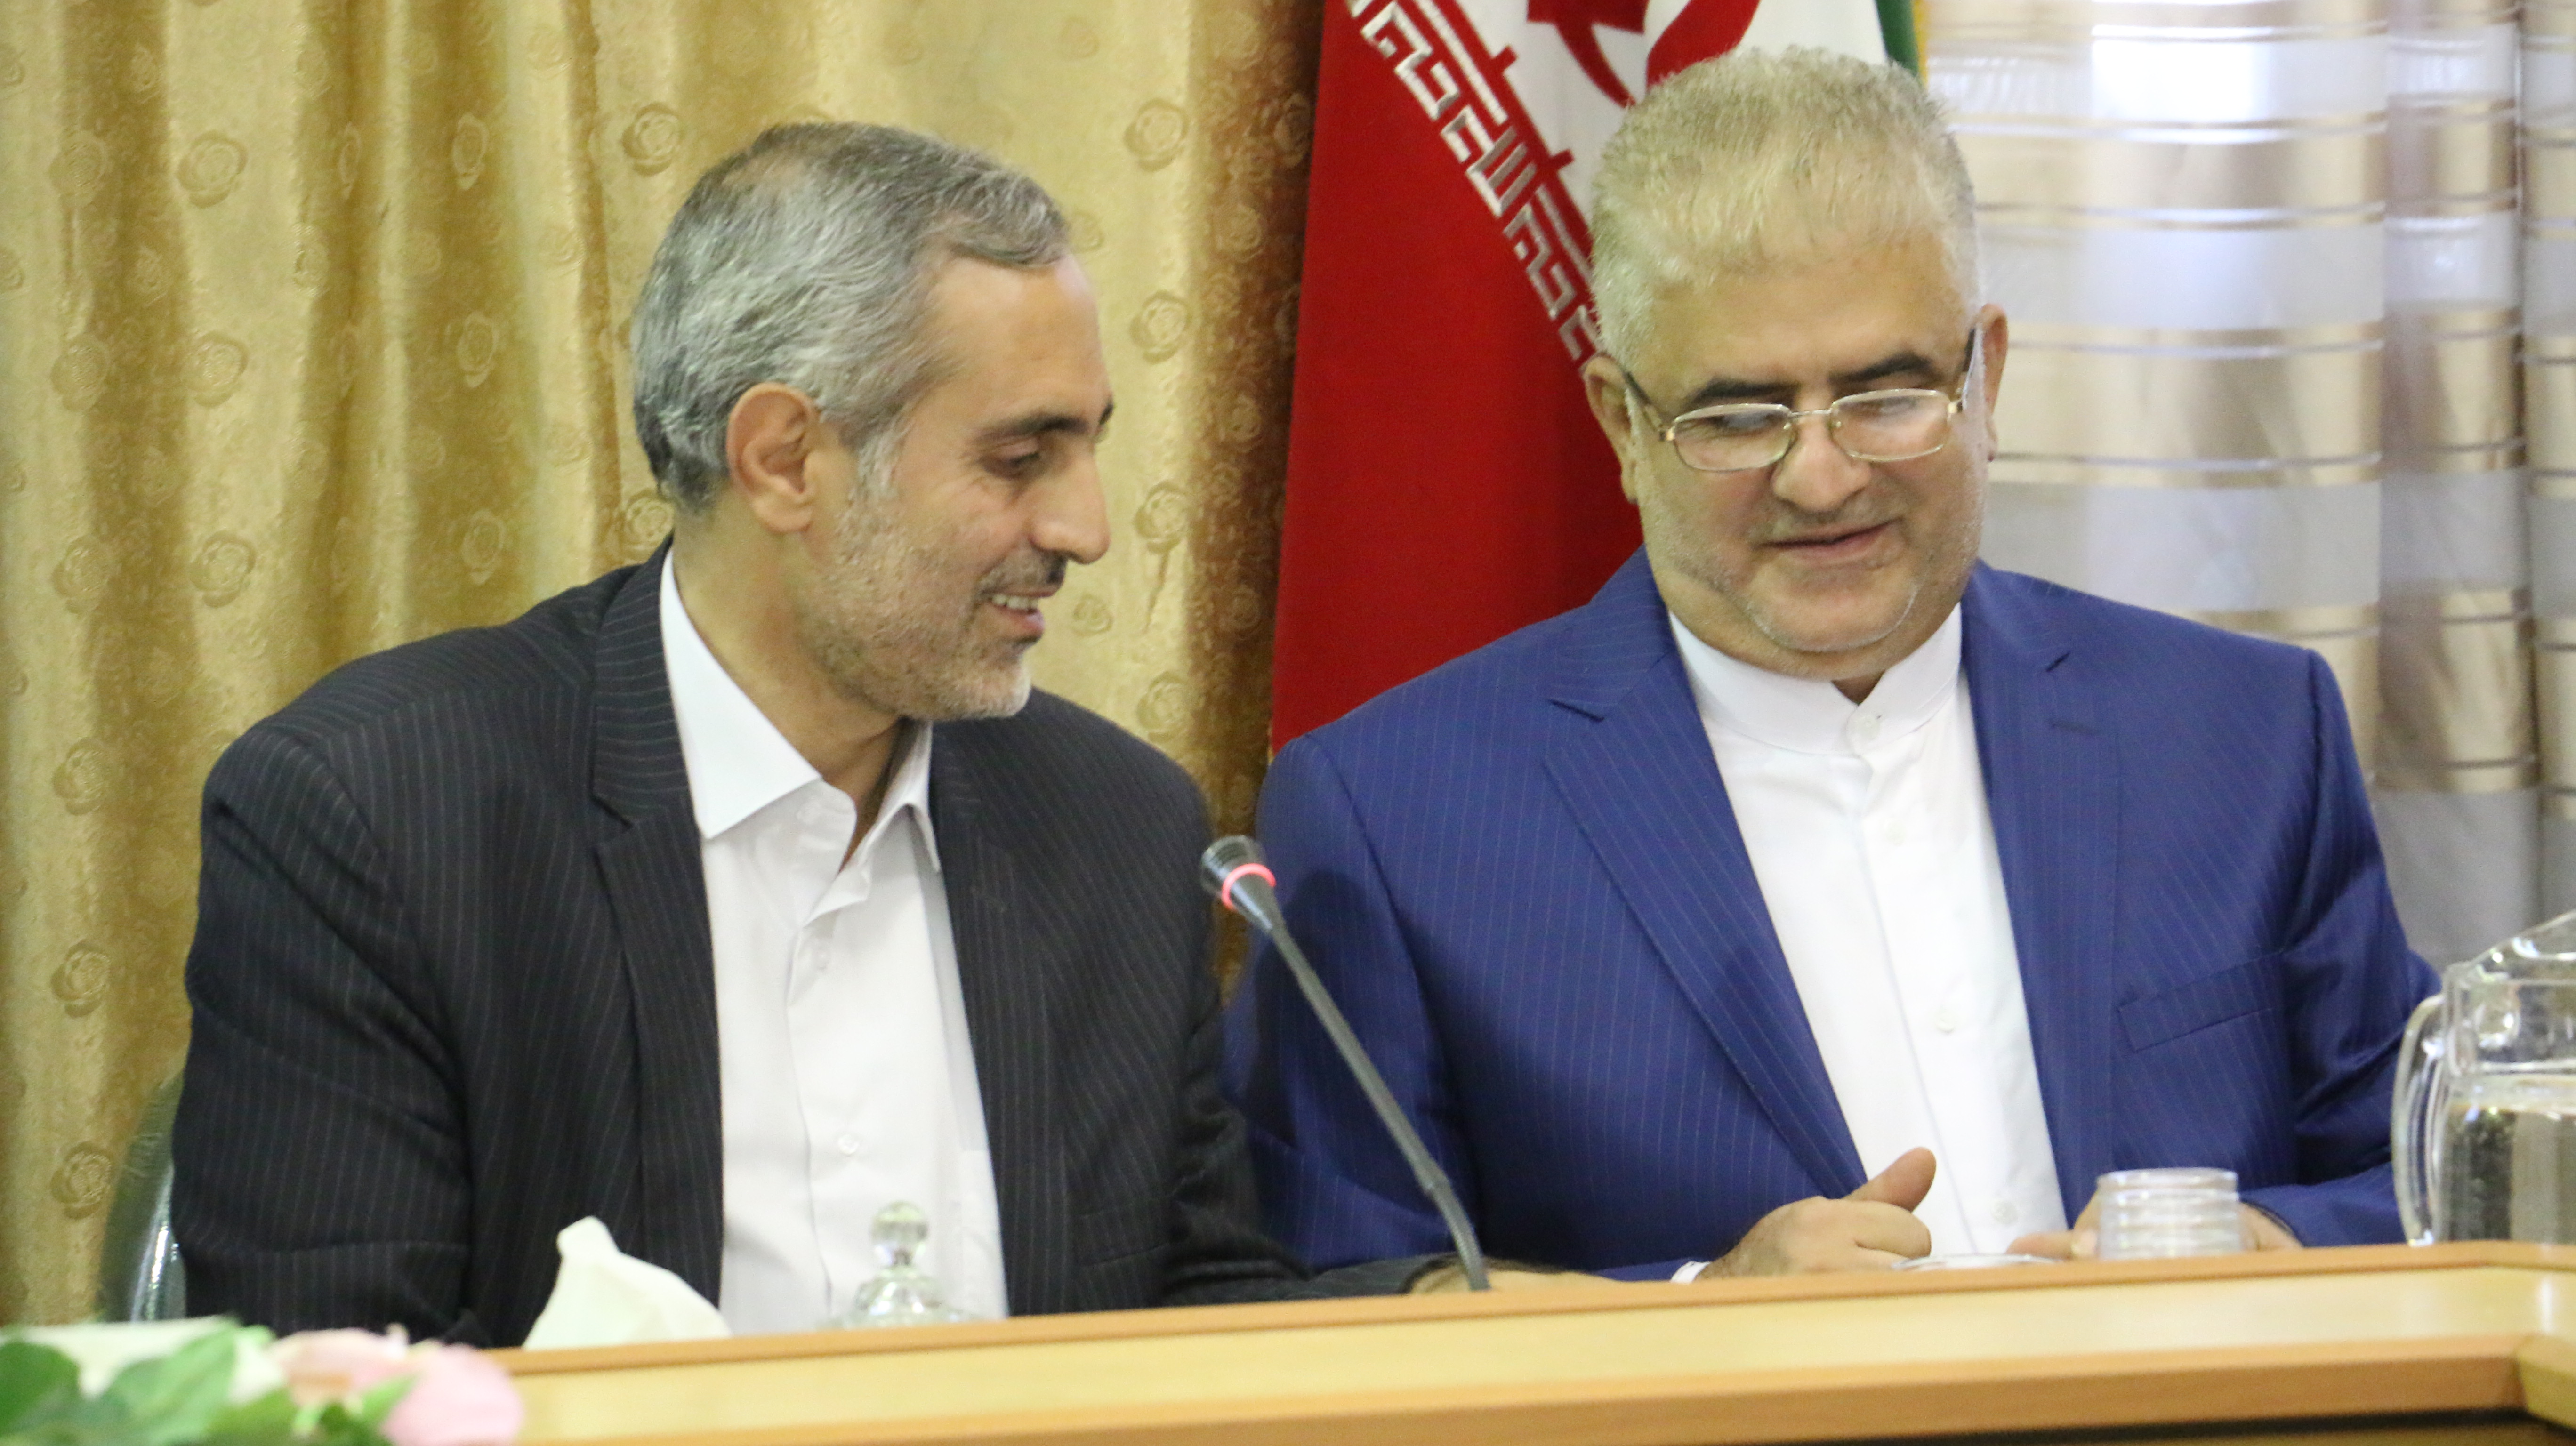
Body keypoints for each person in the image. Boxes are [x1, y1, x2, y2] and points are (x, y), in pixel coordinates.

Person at [175, 123, 1422, 1346]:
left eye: (1086, 447)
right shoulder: (379, 817)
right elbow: (337, 1377)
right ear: (783, 460)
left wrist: (1454, 1322)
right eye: (1018, 457)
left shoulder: (1116, 827)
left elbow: (1191, 1314)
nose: (1085, 529)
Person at [1224, 49, 2437, 1282]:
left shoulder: (2241, 732)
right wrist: (1700, 1317)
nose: (1821, 478)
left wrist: (2263, 1247)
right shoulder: (1395, 820)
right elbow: (1335, 1292)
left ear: (1986, 377)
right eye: (1738, 418)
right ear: (1622, 424)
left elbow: (2429, 1171)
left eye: (1886, 397)